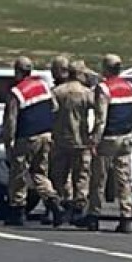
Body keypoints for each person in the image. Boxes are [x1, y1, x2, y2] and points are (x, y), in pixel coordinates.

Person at [78, 54, 132, 233]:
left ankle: (94, 215)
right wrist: (128, 121)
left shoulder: (104, 88)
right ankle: (126, 216)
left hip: (109, 138)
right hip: (126, 137)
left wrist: (94, 140)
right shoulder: (130, 87)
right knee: (124, 179)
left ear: (105, 69)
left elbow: (101, 119)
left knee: (99, 178)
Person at [2, 56, 57, 226]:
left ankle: (17, 211)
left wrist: (9, 141)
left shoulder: (17, 92)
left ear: (18, 71)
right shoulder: (43, 86)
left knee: (19, 174)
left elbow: (11, 119)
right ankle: (54, 202)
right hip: (46, 135)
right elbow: (55, 107)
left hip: (27, 137)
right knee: (40, 172)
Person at [49, 56, 95, 228]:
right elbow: (99, 110)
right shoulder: (86, 93)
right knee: (81, 176)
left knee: (60, 175)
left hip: (61, 139)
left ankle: (63, 207)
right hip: (81, 140)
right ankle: (79, 207)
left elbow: (51, 111)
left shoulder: (57, 91)